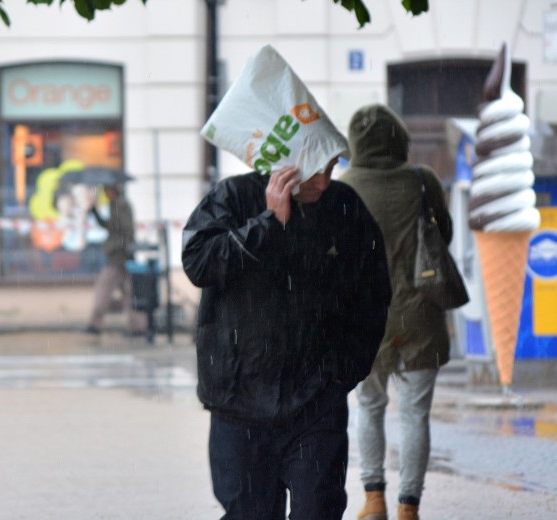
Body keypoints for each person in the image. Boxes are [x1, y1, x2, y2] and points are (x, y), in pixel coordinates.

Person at [182, 157, 391, 520]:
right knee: (249, 513)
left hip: (316, 401)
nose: (324, 182)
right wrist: (268, 223)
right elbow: (199, 262)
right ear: (287, 161)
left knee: (319, 509)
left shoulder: (343, 206)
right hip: (239, 401)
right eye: (315, 170)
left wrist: (342, 373)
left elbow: (372, 293)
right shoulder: (233, 196)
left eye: (330, 168)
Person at [340, 104, 452, 520]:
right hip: (420, 312)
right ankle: (409, 505)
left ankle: (373, 501)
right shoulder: (423, 181)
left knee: (368, 407)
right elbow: (446, 234)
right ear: (400, 137)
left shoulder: (345, 186)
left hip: (364, 318)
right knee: (415, 413)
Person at [83, 183, 147, 336]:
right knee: (129, 294)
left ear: (113, 190)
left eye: (106, 189)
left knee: (104, 289)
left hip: (118, 257)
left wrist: (122, 249)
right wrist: (95, 213)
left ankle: (94, 324)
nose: (105, 192)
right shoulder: (116, 204)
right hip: (120, 256)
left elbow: (125, 229)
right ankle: (139, 327)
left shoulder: (121, 204)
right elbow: (111, 226)